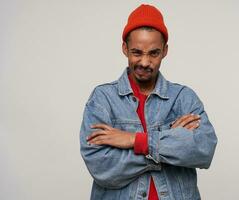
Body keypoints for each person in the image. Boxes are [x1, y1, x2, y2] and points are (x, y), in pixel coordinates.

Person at [80, 4, 217, 200]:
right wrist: (171, 146)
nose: (144, 62)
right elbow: (101, 166)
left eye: (153, 53)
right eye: (137, 52)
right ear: (125, 48)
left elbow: (204, 150)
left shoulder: (183, 98)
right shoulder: (103, 99)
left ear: (165, 51)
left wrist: (135, 140)